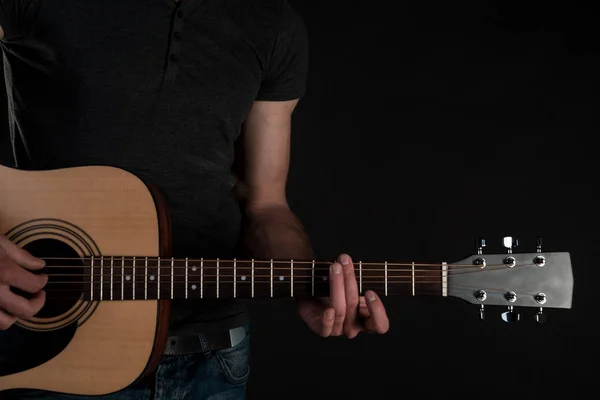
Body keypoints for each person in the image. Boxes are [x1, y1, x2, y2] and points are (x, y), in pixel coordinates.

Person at [0, 0, 390, 398]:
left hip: (213, 362)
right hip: (53, 345)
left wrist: (305, 281)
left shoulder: (272, 23)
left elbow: (267, 205)